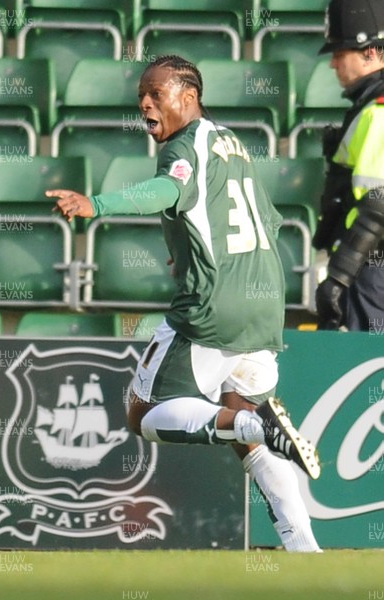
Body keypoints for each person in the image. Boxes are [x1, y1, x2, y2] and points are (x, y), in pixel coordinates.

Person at [47, 55, 321, 552]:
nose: (145, 104)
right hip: (264, 301)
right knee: (247, 436)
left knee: (144, 414)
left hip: (214, 306)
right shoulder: (232, 143)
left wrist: (98, 205)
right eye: (140, 98)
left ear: (189, 96)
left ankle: (256, 422)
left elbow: (167, 189)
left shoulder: (184, 144)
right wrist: (190, 251)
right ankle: (305, 548)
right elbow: (271, 221)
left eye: (156, 94)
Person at [313, 0, 384, 331]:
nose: (332, 64)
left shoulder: (378, 112)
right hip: (368, 263)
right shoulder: (369, 108)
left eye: (340, 54)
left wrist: (340, 277)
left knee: (368, 367)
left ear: (370, 52)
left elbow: (377, 205)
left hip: (372, 267)